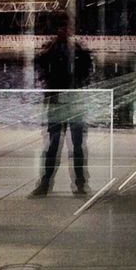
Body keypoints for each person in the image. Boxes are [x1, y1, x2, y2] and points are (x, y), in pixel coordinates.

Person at [30, 13, 94, 197]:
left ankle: (72, 183)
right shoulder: (57, 49)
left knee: (74, 145)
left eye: (64, 27)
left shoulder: (74, 50)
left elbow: (85, 72)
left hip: (67, 102)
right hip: (63, 102)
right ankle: (57, 183)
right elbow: (39, 65)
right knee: (56, 145)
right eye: (60, 27)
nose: (62, 31)